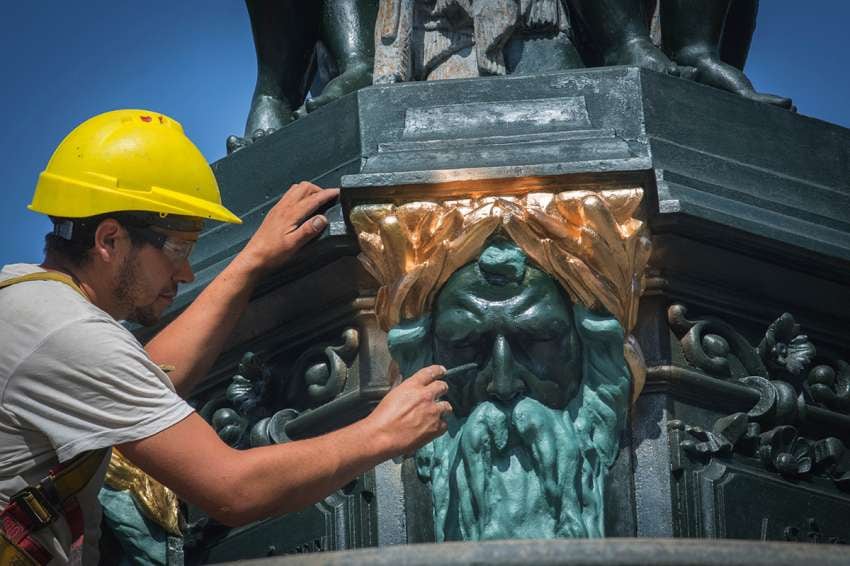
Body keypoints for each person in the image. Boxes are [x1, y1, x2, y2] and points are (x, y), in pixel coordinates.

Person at [0, 109, 451, 565]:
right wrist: (382, 433)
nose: (186, 272)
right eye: (176, 249)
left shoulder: (29, 303)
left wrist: (251, 261)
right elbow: (232, 489)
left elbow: (149, 379)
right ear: (109, 239)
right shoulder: (66, 332)